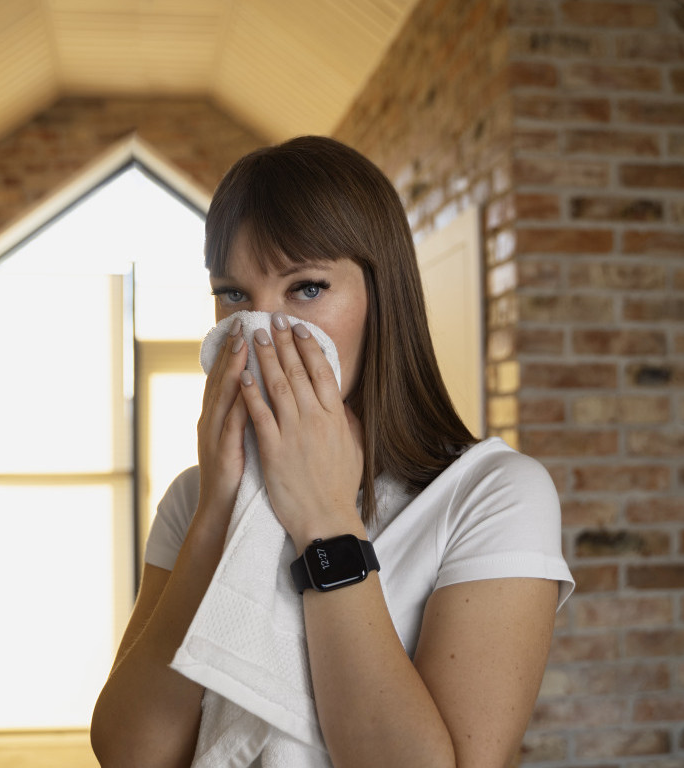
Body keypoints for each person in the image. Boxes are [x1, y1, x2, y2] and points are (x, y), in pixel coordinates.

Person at [91, 136, 573, 768]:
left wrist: (324, 521)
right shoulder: (194, 496)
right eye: (234, 294)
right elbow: (132, 755)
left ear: (382, 297)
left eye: (307, 288)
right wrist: (216, 513)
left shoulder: (494, 495)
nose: (262, 329)